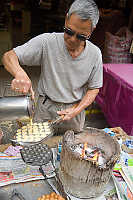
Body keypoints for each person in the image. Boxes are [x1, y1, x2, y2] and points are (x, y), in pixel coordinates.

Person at [2, 0, 103, 135]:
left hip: (75, 112)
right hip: (45, 109)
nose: (73, 39)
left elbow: (93, 89)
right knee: (38, 147)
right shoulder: (47, 42)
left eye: (81, 36)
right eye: (69, 31)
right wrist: (19, 73)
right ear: (66, 19)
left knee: (70, 149)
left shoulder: (95, 54)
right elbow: (9, 56)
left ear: (92, 30)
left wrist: (77, 109)